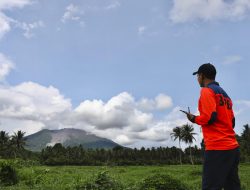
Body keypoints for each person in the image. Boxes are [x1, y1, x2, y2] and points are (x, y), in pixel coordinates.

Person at [185, 63, 241, 190]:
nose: (197, 79)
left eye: (198, 75)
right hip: (233, 148)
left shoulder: (206, 91)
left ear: (202, 76)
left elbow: (210, 117)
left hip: (217, 148)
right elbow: (232, 122)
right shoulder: (225, 95)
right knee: (232, 186)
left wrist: (193, 118)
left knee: (210, 187)